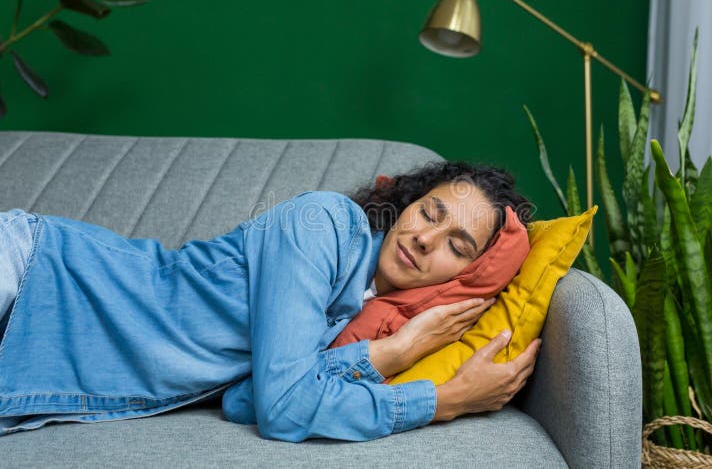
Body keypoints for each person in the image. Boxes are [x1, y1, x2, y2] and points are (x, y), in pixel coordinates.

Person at [0, 160, 541, 441]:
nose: (426, 238)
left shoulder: (365, 317)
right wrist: (440, 399)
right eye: (430, 212)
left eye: (457, 246)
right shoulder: (324, 225)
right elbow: (284, 410)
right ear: (405, 204)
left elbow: (244, 402)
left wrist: (388, 352)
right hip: (38, 270)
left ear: (464, 278)